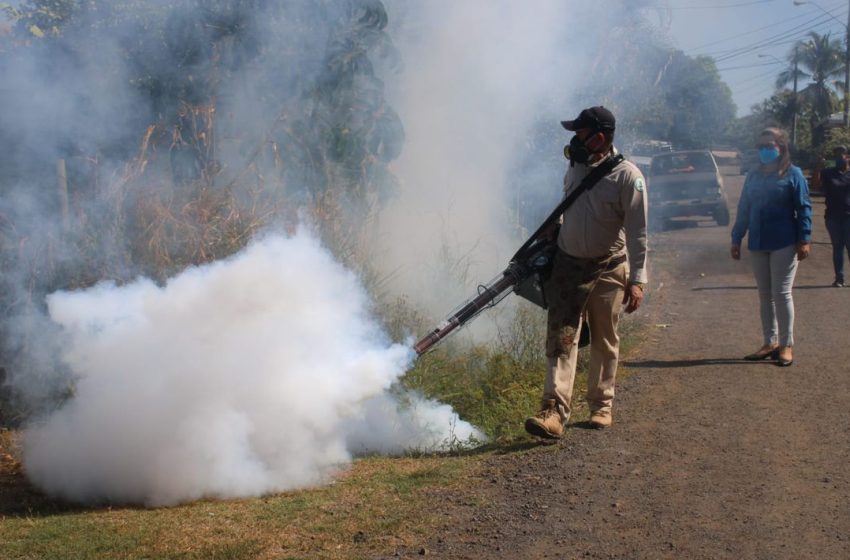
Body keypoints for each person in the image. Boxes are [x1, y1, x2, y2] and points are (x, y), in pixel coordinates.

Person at [524, 106, 648, 439]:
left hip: (608, 268)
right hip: (568, 266)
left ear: (600, 137)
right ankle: (553, 412)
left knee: (605, 339)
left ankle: (601, 406)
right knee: (561, 339)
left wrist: (637, 280)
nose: (575, 140)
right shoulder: (575, 168)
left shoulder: (628, 176)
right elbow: (569, 205)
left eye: (580, 134)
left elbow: (638, 232)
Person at [731, 127, 812, 367]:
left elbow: (804, 208)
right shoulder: (753, 176)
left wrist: (804, 239)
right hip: (758, 241)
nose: (765, 150)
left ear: (781, 147)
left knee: (782, 293)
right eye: (761, 146)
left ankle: (787, 344)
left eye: (770, 145)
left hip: (784, 241)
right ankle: (770, 342)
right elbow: (744, 208)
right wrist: (737, 237)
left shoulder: (793, 174)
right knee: (764, 295)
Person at [818, 145, 850, 287]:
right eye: (837, 155)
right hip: (833, 217)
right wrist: (819, 167)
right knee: (838, 248)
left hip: (849, 216)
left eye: (842, 154)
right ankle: (839, 278)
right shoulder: (827, 173)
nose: (839, 157)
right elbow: (815, 185)